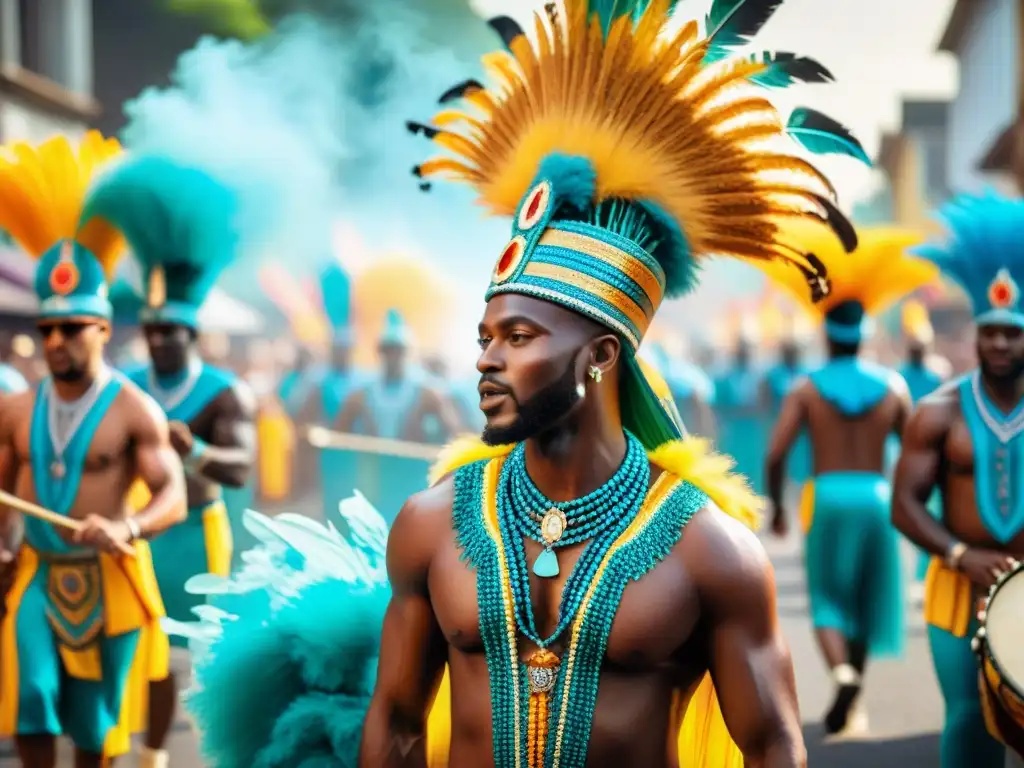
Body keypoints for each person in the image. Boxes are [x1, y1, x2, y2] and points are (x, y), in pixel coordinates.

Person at [167, 0, 866, 763]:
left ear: (600, 356)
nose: (486, 360)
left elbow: (772, 745)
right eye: (485, 338)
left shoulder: (711, 552)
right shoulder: (432, 525)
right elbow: (397, 723)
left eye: (519, 338)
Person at [0, 132, 187, 767]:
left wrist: (127, 524)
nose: (56, 341)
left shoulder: (137, 410)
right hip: (37, 574)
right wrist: (1, 548)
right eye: (47, 328)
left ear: (102, 329)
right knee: (30, 697)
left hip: (109, 576)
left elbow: (174, 493)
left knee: (94, 729)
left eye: (71, 328)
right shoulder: (16, 408)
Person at [81, 153, 258, 768]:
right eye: (151, 331)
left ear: (192, 335)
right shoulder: (122, 384)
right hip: (132, 532)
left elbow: (241, 469)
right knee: (126, 641)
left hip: (194, 534)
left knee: (184, 650)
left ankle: (175, 748)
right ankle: (126, 743)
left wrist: (199, 449)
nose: (158, 341)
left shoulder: (224, 392)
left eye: (170, 333)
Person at [763, 222, 936, 736]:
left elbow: (775, 452)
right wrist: (914, 501)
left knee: (828, 599)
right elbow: (916, 450)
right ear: (863, 336)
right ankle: (853, 684)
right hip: (879, 500)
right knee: (866, 597)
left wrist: (775, 505)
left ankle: (840, 672)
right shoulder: (893, 386)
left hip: (828, 496)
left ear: (825, 334)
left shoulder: (806, 388)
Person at [892, 191, 1024, 768]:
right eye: (990, 330)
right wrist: (957, 551)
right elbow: (904, 504)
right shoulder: (938, 411)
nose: (999, 343)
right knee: (969, 720)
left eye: (1013, 332)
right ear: (976, 331)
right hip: (958, 587)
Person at [336, 309, 460, 443]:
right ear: (380, 352)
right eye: (388, 350)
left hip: (412, 462)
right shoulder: (361, 394)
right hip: (372, 462)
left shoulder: (426, 393)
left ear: (407, 352)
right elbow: (338, 434)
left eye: (398, 351)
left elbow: (454, 433)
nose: (393, 357)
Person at [897, 300, 951, 590]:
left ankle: (925, 572)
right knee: (912, 505)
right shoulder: (899, 375)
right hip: (910, 446)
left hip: (937, 448)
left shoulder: (939, 372)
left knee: (933, 509)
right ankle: (918, 573)